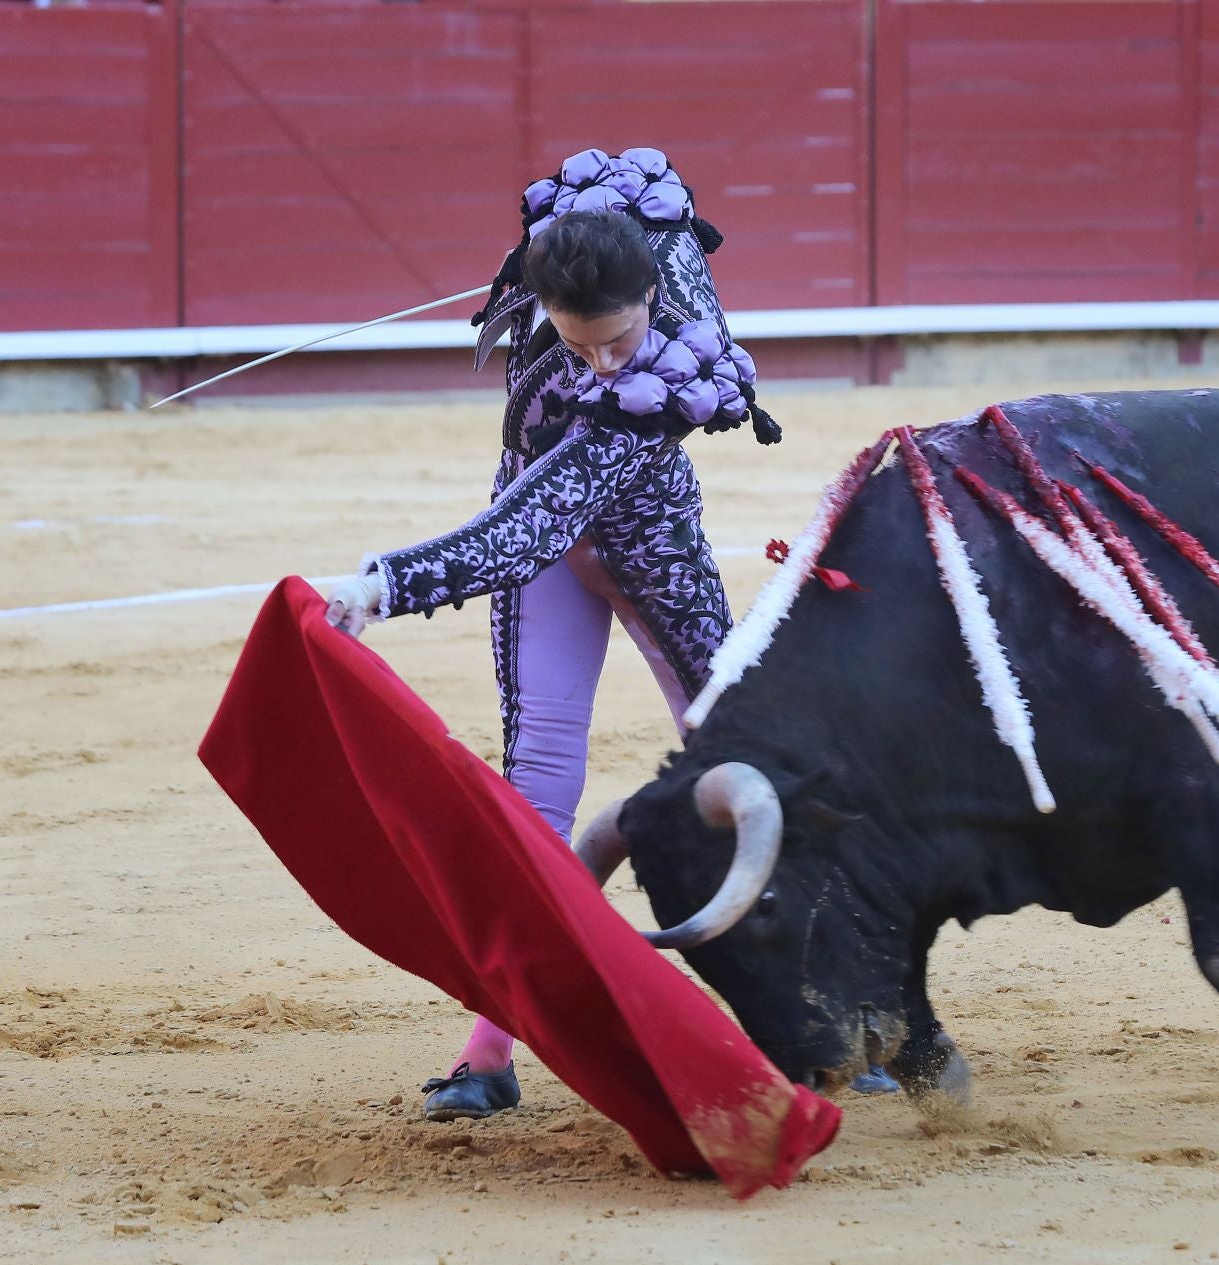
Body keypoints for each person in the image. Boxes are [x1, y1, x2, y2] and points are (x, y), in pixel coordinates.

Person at [325, 148, 904, 1119]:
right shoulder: (568, 279)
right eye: (576, 341)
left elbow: (526, 528)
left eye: (620, 339)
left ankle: (847, 1008)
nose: (603, 363)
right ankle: (488, 1050)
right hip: (548, 547)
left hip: (644, 540)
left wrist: (388, 584)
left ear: (650, 294)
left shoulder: (676, 355)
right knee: (539, 776)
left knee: (745, 762)